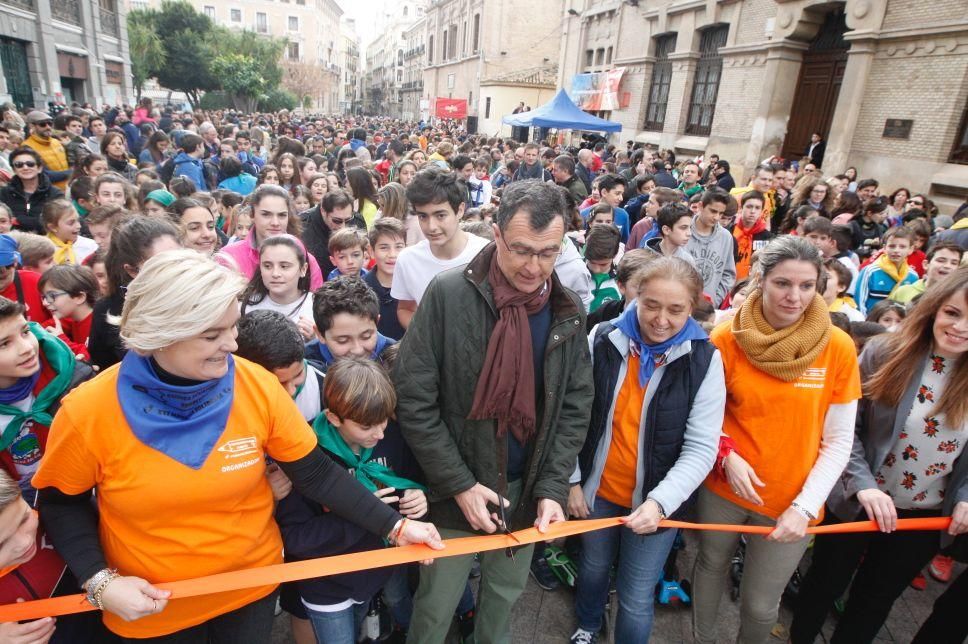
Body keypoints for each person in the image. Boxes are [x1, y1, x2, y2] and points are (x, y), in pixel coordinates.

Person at [32, 250, 443, 641]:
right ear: (159, 334)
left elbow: (315, 471)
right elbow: (60, 503)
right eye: (213, 334)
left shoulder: (256, 384)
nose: (232, 345)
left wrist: (397, 526)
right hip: (153, 606)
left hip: (250, 590)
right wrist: (101, 580)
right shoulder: (89, 410)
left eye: (232, 326)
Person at [395, 179, 594, 643]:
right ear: (497, 236)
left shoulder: (567, 308)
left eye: (548, 253)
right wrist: (459, 485)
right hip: (452, 491)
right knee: (435, 608)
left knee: (503, 602)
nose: (534, 266)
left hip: (525, 491)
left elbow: (574, 404)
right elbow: (414, 400)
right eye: (522, 250)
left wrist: (551, 487)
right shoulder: (447, 295)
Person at [692, 236, 861, 644]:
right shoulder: (726, 337)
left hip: (792, 501)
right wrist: (726, 454)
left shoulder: (837, 347)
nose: (794, 296)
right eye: (783, 283)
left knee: (761, 604)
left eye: (806, 286)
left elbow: (839, 441)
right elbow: (701, 415)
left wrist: (804, 506)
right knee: (709, 566)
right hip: (723, 488)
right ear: (760, 280)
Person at [790, 265, 968, 644]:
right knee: (823, 584)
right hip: (858, 498)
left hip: (923, 517)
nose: (961, 327)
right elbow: (844, 429)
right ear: (935, 308)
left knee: (874, 602)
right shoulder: (883, 352)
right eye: (953, 313)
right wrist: (863, 486)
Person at [569, 257, 726, 644]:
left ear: (692, 308)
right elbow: (573, 414)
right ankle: (588, 624)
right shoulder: (604, 338)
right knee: (592, 567)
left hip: (656, 500)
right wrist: (572, 479)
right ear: (634, 296)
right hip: (598, 491)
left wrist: (660, 503)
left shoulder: (704, 359)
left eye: (676, 310)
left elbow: (701, 447)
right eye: (651, 304)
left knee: (637, 594)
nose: (660, 319)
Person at [276, 357, 427, 643]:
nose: (379, 433)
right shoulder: (302, 452)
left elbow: (411, 477)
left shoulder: (389, 434)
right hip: (325, 585)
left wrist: (419, 495)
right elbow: (294, 538)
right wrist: (364, 514)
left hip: (372, 575)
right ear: (333, 418)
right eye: (366, 427)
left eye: (384, 421)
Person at [391, 168, 488, 329]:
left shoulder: (485, 253)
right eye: (423, 216)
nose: (431, 227)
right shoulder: (408, 259)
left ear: (460, 210)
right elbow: (405, 308)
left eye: (440, 215)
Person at [87, 216, 181, 370]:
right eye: (161, 265)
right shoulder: (109, 309)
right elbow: (104, 366)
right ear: (132, 270)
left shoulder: (203, 296)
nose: (176, 270)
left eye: (180, 260)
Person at [218, 184, 324, 289]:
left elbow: (316, 303)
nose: (275, 222)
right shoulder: (228, 257)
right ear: (252, 215)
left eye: (282, 215)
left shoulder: (306, 259)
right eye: (266, 214)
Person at [305, 276, 396, 372]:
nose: (358, 350)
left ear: (377, 323)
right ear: (320, 334)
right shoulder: (306, 365)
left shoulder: (396, 358)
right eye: (343, 340)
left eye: (366, 336)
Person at [241, 235, 315, 341]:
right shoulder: (245, 307)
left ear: (303, 269)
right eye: (267, 266)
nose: (275, 274)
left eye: (284, 266)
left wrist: (315, 339)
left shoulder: (316, 306)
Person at [37, 264, 97, 361]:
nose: (45, 303)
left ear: (79, 297)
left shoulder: (100, 324)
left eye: (52, 296)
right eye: (43, 297)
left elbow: (92, 358)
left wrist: (62, 339)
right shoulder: (71, 318)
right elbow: (41, 328)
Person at [853, 226, 918, 315]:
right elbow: (859, 302)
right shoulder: (870, 272)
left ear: (910, 249)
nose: (896, 250)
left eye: (902, 247)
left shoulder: (913, 276)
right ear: (884, 248)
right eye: (892, 246)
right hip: (872, 324)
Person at [687, 190, 735, 306]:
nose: (716, 217)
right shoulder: (684, 230)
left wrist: (715, 300)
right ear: (700, 206)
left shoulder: (725, 237)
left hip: (708, 309)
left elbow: (728, 274)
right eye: (713, 211)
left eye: (720, 213)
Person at [0, 147, 65, 234]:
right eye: (19, 164)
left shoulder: (55, 194)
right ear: (14, 170)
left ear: (39, 168)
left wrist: (19, 220)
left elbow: (56, 224)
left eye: (30, 164)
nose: (25, 167)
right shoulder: (4, 193)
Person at [363, 218, 407, 341]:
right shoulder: (360, 289)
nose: (392, 254)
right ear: (371, 251)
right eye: (384, 247)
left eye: (398, 247)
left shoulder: (415, 285)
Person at [300, 189, 354, 277]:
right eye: (337, 221)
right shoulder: (302, 228)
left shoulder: (357, 220)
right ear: (323, 211)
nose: (343, 226)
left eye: (348, 220)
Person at [890, 241, 963, 306]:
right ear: (926, 264)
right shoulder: (903, 292)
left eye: (954, 263)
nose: (947, 266)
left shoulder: (960, 297)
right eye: (941, 260)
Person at [0, 235, 51, 326]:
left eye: (7, 264)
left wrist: (37, 332)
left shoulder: (35, 281)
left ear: (15, 262)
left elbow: (66, 316)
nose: (2, 270)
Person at [730, 191, 773, 281]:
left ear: (761, 212)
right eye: (749, 207)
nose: (753, 211)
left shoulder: (767, 237)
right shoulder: (729, 231)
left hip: (750, 283)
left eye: (757, 208)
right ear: (741, 208)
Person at [23, 112, 69, 191]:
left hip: (67, 189)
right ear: (32, 126)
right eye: (42, 124)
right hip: (49, 193)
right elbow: (43, 174)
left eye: (50, 123)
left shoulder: (56, 142)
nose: (47, 127)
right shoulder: (27, 147)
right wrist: (70, 173)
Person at [41, 199, 96, 266]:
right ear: (53, 227)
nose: (79, 226)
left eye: (78, 220)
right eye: (71, 223)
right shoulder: (41, 250)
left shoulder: (91, 246)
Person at [583, 224, 621, 314]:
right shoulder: (577, 272)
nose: (596, 269)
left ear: (615, 255)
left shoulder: (621, 280)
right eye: (591, 262)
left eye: (603, 264)